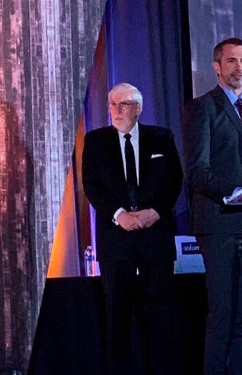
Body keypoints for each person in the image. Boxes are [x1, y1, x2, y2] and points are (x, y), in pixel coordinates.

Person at [181, 38, 242, 375]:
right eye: (232, 61)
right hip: (222, 225)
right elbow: (197, 172)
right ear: (216, 66)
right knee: (225, 315)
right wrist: (239, 192)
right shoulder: (202, 108)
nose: (239, 67)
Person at [81, 83, 183, 374]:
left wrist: (155, 212)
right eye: (112, 104)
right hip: (116, 241)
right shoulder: (95, 141)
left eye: (123, 104)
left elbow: (174, 180)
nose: (116, 110)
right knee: (117, 320)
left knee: (160, 318)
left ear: (138, 108)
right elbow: (92, 185)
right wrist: (119, 215)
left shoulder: (161, 137)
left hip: (155, 239)